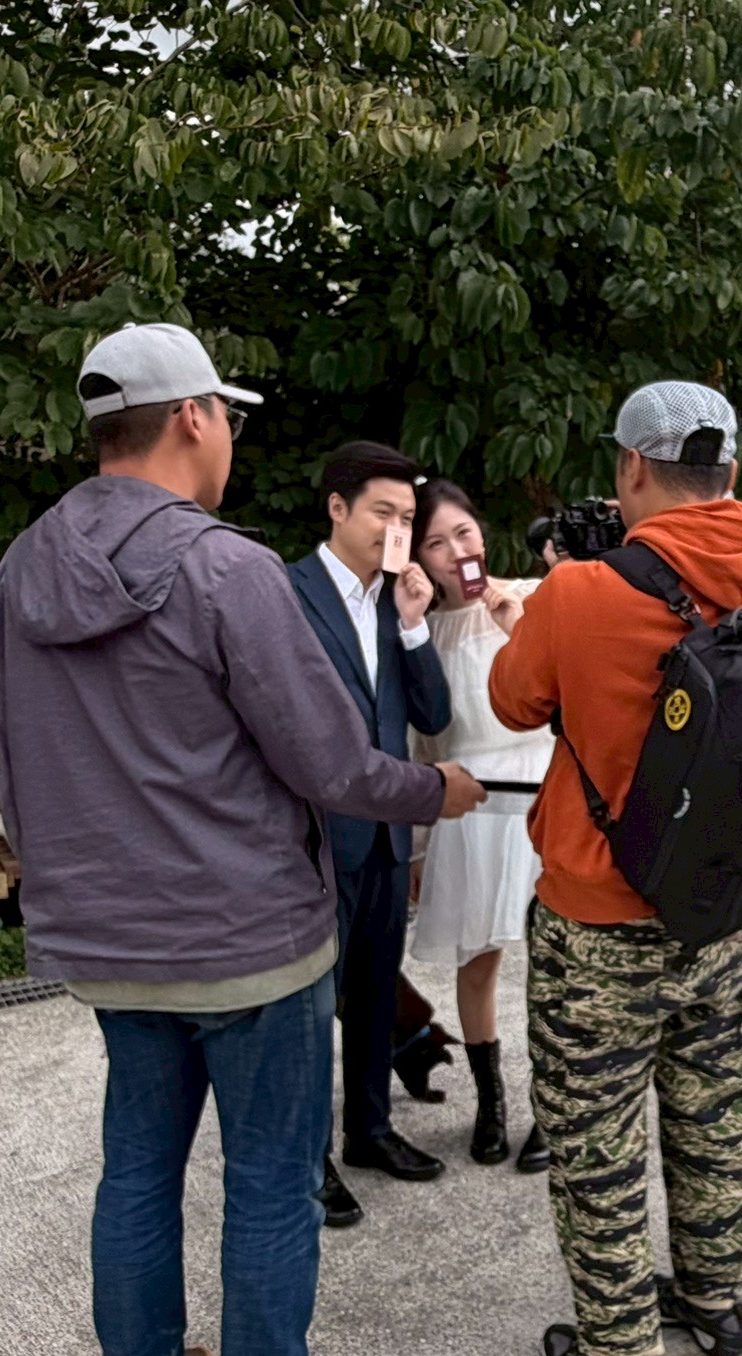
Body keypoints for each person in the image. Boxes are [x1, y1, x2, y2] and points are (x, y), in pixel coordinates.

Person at [0, 321, 486, 1356]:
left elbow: (14, 758)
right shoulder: (226, 568)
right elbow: (330, 761)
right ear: (195, 419)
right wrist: (438, 790)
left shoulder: (23, 569)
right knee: (267, 1174)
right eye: (230, 419)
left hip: (109, 943)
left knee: (137, 1169)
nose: (231, 441)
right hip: (248, 939)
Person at [489, 380, 742, 1356]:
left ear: (632, 468)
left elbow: (511, 700)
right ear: (730, 476)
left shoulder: (583, 593)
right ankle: (716, 1301)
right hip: (725, 917)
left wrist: (546, 596)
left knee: (597, 1145)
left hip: (598, 927)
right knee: (712, 1119)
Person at [288, 441, 456, 1227]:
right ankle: (307, 1157)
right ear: (337, 508)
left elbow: (432, 717)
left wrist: (417, 628)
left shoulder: (400, 603)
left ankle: (371, 1130)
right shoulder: (286, 594)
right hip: (316, 839)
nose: (396, 528)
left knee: (373, 991)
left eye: (407, 517)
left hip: (388, 833)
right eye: (383, 512)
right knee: (312, 1003)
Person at [404, 480, 552, 1172]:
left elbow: (569, 688)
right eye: (436, 542)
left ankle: (553, 1107)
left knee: (557, 965)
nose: (455, 550)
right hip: (471, 804)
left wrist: (515, 621)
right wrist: (421, 846)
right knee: (478, 960)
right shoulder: (422, 631)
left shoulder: (534, 594)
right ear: (420, 557)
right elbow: (426, 745)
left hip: (545, 797)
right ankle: (491, 1103)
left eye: (463, 532)